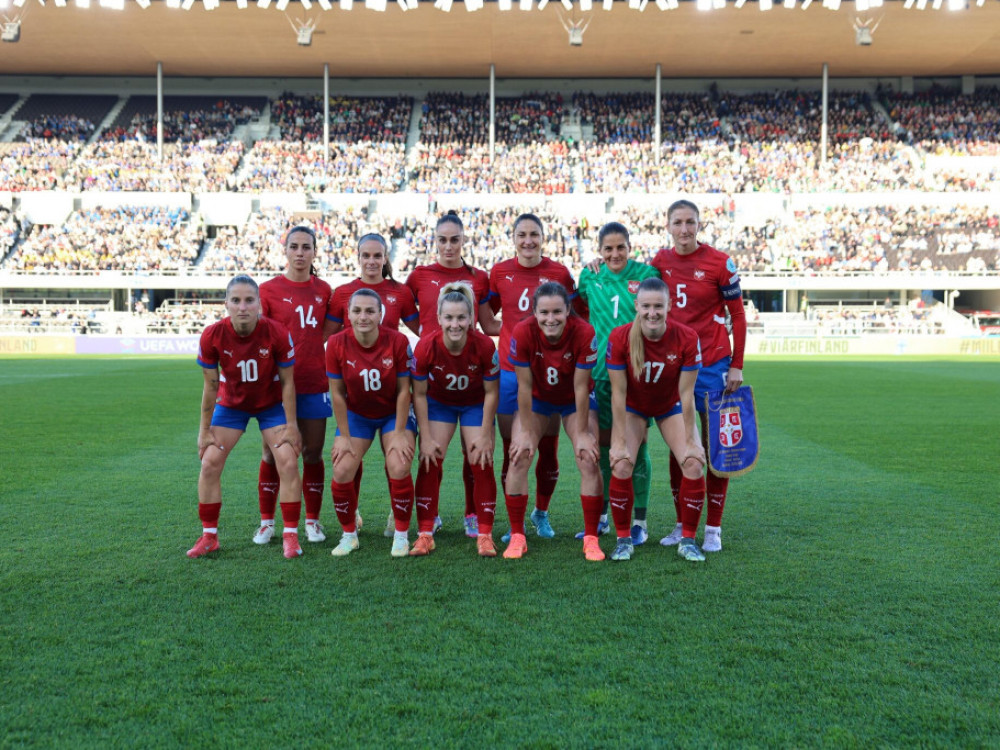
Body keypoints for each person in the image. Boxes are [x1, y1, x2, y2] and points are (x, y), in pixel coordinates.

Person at [650, 200, 746, 553]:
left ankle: (713, 528)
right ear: (668, 225)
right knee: (681, 447)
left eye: (690, 222)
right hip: (674, 366)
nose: (685, 229)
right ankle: (682, 523)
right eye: (678, 222)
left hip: (713, 365)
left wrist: (737, 364)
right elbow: (632, 285)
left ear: (699, 225)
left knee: (716, 447)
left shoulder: (720, 263)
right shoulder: (659, 262)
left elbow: (738, 315)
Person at [188, 274, 303, 560]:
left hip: (270, 404)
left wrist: (292, 426)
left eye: (249, 300)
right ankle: (209, 536)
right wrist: (204, 431)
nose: (243, 307)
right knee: (210, 462)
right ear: (226, 304)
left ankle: (291, 535)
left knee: (288, 461)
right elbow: (210, 385)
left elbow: (288, 383)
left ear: (259, 304)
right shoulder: (212, 334)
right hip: (232, 406)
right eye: (236, 301)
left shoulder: (276, 332)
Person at [405, 212, 501, 539]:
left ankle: (473, 514)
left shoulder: (480, 277)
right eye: (442, 239)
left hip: (471, 375)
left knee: (475, 454)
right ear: (435, 241)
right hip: (437, 377)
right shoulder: (419, 276)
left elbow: (489, 325)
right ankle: (429, 518)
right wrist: (433, 337)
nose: (448, 246)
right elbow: (404, 314)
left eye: (454, 239)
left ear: (463, 240)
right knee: (432, 453)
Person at [489, 213, 579, 541]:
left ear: (543, 238)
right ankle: (514, 521)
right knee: (512, 448)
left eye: (534, 234)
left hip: (548, 375)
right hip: (510, 374)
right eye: (522, 234)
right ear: (513, 238)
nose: (528, 240)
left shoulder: (559, 273)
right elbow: (488, 319)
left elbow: (576, 316)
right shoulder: (499, 272)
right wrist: (513, 334)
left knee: (548, 448)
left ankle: (541, 513)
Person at [606, 278, 706, 562]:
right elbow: (618, 393)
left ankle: (688, 540)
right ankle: (623, 539)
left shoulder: (687, 337)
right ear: (636, 306)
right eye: (646, 306)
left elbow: (686, 395)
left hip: (669, 405)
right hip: (633, 408)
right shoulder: (620, 337)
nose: (652, 313)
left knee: (693, 462)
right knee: (623, 463)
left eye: (658, 306)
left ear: (669, 306)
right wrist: (618, 442)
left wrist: (691, 441)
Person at [328, 232, 419, 536]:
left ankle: (398, 515)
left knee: (396, 456)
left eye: (377, 255)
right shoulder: (343, 293)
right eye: (365, 255)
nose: (371, 261)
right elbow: (326, 335)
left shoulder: (401, 293)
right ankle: (351, 512)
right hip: (357, 387)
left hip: (393, 385)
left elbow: (425, 329)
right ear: (358, 257)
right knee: (348, 458)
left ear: (385, 258)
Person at [504, 282, 603, 561]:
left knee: (587, 455)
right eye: (544, 312)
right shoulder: (523, 331)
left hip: (573, 399)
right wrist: (523, 430)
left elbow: (582, 387)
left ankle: (591, 537)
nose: (551, 318)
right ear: (534, 312)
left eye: (557, 312)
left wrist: (583, 432)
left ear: (568, 310)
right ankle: (517, 535)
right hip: (537, 398)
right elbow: (523, 386)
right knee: (519, 455)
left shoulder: (584, 331)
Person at [576, 221, 660, 545]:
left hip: (636, 374)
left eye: (620, 247)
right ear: (599, 251)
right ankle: (603, 516)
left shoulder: (647, 273)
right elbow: (579, 309)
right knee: (605, 448)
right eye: (608, 249)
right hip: (600, 374)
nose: (614, 254)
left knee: (636, 449)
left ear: (629, 246)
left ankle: (639, 520)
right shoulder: (589, 276)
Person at [257, 226, 335, 546]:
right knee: (272, 454)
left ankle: (313, 522)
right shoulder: (268, 289)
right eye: (294, 247)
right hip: (277, 386)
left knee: (313, 453)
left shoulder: (325, 290)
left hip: (315, 381)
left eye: (306, 247)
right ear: (285, 250)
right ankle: (266, 522)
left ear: (315, 252)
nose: (300, 253)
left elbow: (327, 333)